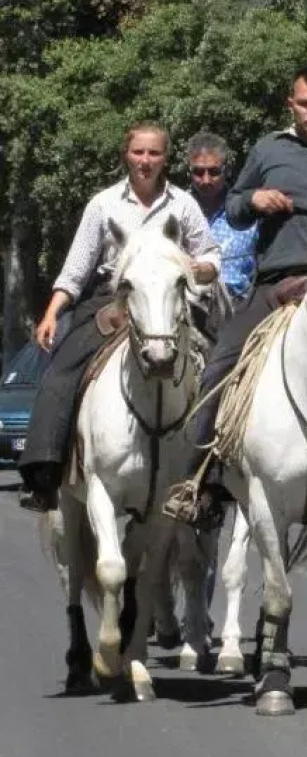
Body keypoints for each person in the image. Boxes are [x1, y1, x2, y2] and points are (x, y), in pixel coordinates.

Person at [163, 65, 307, 528]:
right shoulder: (268, 149)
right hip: (277, 282)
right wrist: (256, 200)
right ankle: (197, 481)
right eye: (305, 103)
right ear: (291, 103)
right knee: (223, 362)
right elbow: (237, 208)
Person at [17, 124, 221, 512]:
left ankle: (211, 478)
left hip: (172, 298)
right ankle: (44, 471)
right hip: (114, 298)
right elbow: (76, 270)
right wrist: (52, 313)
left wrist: (201, 268)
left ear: (165, 158)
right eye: (139, 153)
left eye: (155, 154)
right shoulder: (103, 204)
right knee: (62, 368)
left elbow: (210, 253)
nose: (146, 161)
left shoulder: (183, 204)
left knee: (220, 368)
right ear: (126, 155)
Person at [185, 132, 259, 303]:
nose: (206, 180)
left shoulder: (246, 211)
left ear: (227, 170)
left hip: (239, 307)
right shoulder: (179, 211)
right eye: (198, 172)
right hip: (188, 308)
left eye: (214, 172)